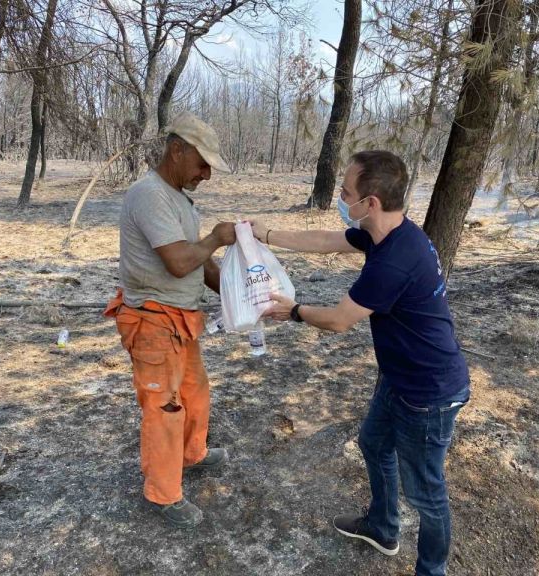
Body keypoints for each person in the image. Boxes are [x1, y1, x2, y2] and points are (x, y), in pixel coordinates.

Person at [251, 150, 470, 576]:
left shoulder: (393, 261)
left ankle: (433, 570)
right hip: (399, 378)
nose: (340, 197)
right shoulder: (386, 233)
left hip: (429, 394)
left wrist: (293, 311)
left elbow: (336, 320)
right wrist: (270, 234)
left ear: (370, 202)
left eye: (346, 192)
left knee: (427, 494)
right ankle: (383, 526)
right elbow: (330, 241)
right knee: (373, 442)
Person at [104, 112, 236, 529]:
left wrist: (243, 296)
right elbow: (181, 262)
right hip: (153, 322)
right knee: (164, 406)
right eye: (202, 163)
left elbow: (199, 263)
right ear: (176, 150)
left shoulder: (177, 197)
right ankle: (162, 494)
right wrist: (216, 236)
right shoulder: (149, 194)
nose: (207, 174)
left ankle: (191, 454)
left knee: (195, 393)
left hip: (183, 320)